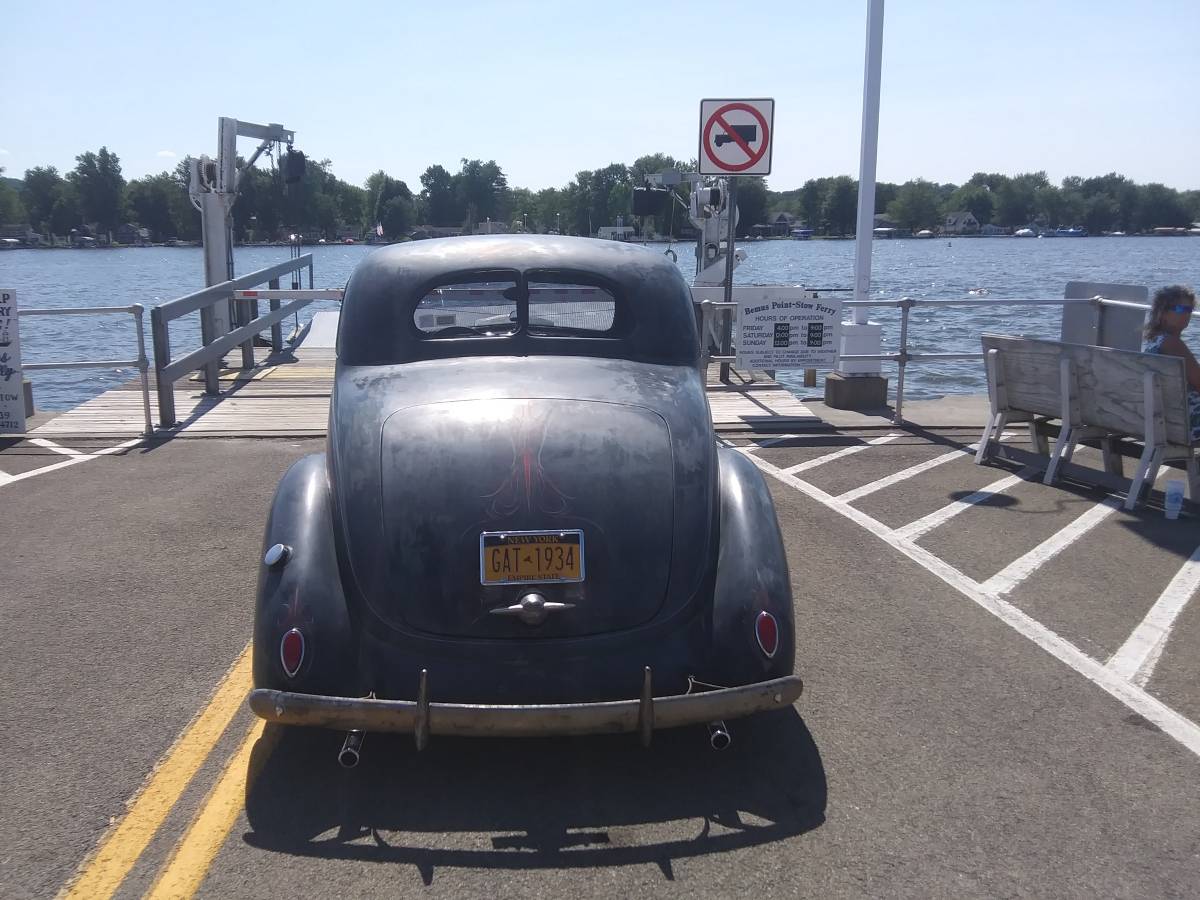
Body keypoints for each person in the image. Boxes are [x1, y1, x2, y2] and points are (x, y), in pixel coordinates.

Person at [1143, 284, 1200, 440]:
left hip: (1166, 421)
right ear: (1163, 313)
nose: (1186, 315)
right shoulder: (1172, 344)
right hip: (1188, 426)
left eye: (1189, 310)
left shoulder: (1154, 342)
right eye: (1181, 309)